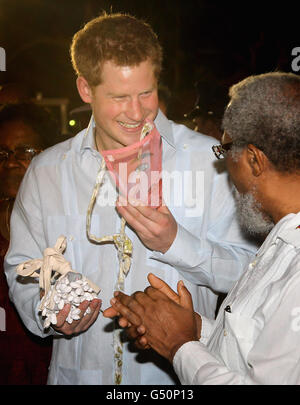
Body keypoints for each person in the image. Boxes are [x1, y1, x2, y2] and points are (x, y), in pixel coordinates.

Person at [5, 13, 257, 385]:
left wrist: (175, 243)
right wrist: (48, 312)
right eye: (120, 97)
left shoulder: (211, 164)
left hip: (175, 382)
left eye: (146, 93)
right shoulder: (47, 171)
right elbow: (21, 268)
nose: (138, 113)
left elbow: (253, 274)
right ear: (85, 89)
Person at [107, 72, 300, 385]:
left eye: (224, 150)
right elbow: (252, 345)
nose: (223, 167)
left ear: (254, 160)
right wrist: (191, 328)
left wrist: (179, 346)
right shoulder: (281, 239)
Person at [0, 102, 59, 384]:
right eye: (2, 153)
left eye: (25, 152)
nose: (10, 162)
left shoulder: (62, 225)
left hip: (48, 366)